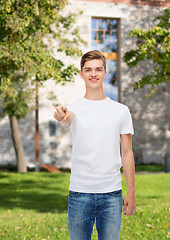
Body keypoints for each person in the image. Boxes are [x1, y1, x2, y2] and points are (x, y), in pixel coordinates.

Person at [53, 50, 136, 240]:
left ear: (105, 73)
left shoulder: (121, 111)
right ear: (81, 74)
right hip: (79, 195)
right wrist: (62, 116)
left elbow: (127, 152)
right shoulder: (72, 108)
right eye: (88, 70)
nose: (93, 74)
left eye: (98, 69)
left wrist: (131, 191)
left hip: (112, 195)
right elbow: (67, 119)